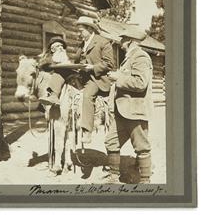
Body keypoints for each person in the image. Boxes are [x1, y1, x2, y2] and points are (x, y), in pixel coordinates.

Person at [39, 15, 114, 143]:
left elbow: (109, 64)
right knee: (60, 70)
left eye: (81, 30)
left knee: (87, 95)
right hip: (81, 74)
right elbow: (77, 61)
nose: (80, 33)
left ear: (90, 29)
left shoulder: (103, 42)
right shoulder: (82, 45)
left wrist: (92, 67)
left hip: (95, 78)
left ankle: (87, 131)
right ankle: (53, 96)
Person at [105, 30, 154, 184]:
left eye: (124, 39)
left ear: (131, 41)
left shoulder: (140, 56)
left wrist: (118, 78)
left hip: (135, 110)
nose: (121, 42)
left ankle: (145, 182)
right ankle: (113, 177)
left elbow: (141, 83)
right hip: (122, 110)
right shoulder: (129, 58)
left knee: (141, 147)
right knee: (111, 142)